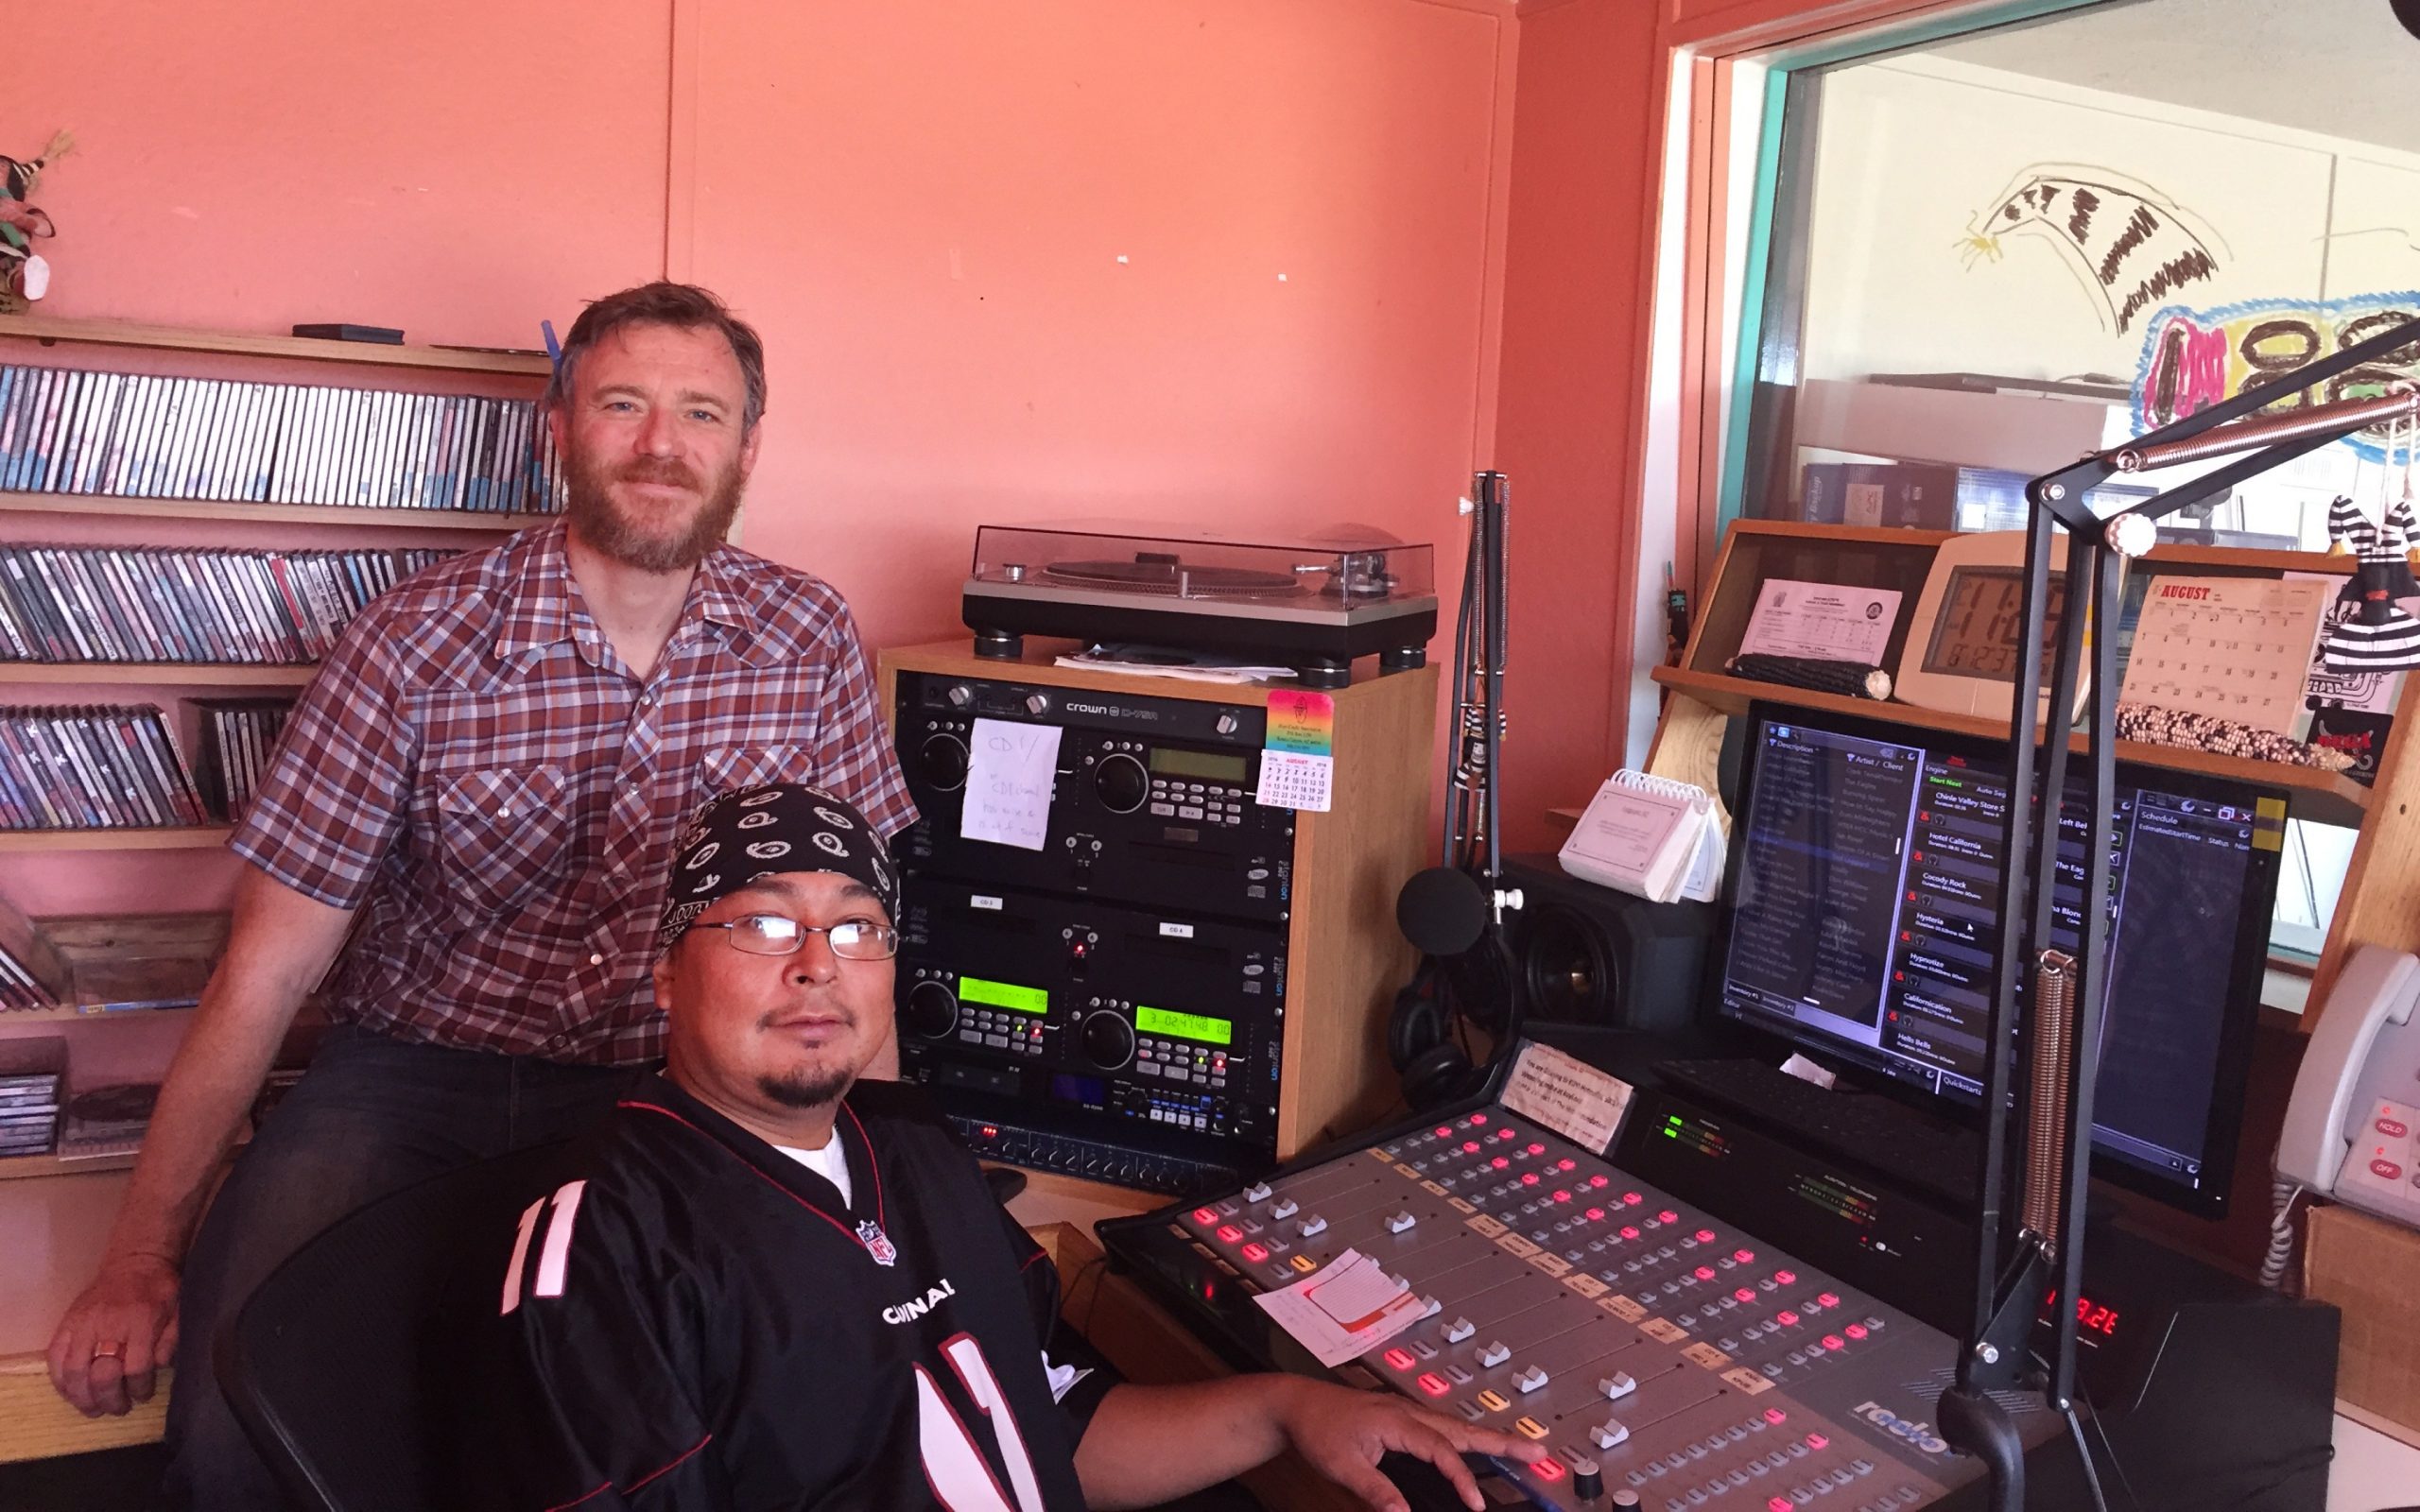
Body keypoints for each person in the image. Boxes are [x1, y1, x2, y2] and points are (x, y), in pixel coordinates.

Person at [45, 283, 917, 1510]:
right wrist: (138, 1260)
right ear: (559, 430)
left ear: (746, 449)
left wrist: (895, 1205)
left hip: (678, 1082)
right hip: (412, 1072)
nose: (662, 446)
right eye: (623, 405)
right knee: (257, 1404)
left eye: (701, 414)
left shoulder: (808, 637)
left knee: (704, 1403)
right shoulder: (414, 643)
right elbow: (270, 970)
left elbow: (851, 941)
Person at [453, 783, 1517, 1512]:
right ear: (667, 977)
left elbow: (1044, 1417)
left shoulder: (914, 1150)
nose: (818, 964)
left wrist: (1289, 1407)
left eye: (858, 925)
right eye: (766, 926)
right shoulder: (599, 1246)